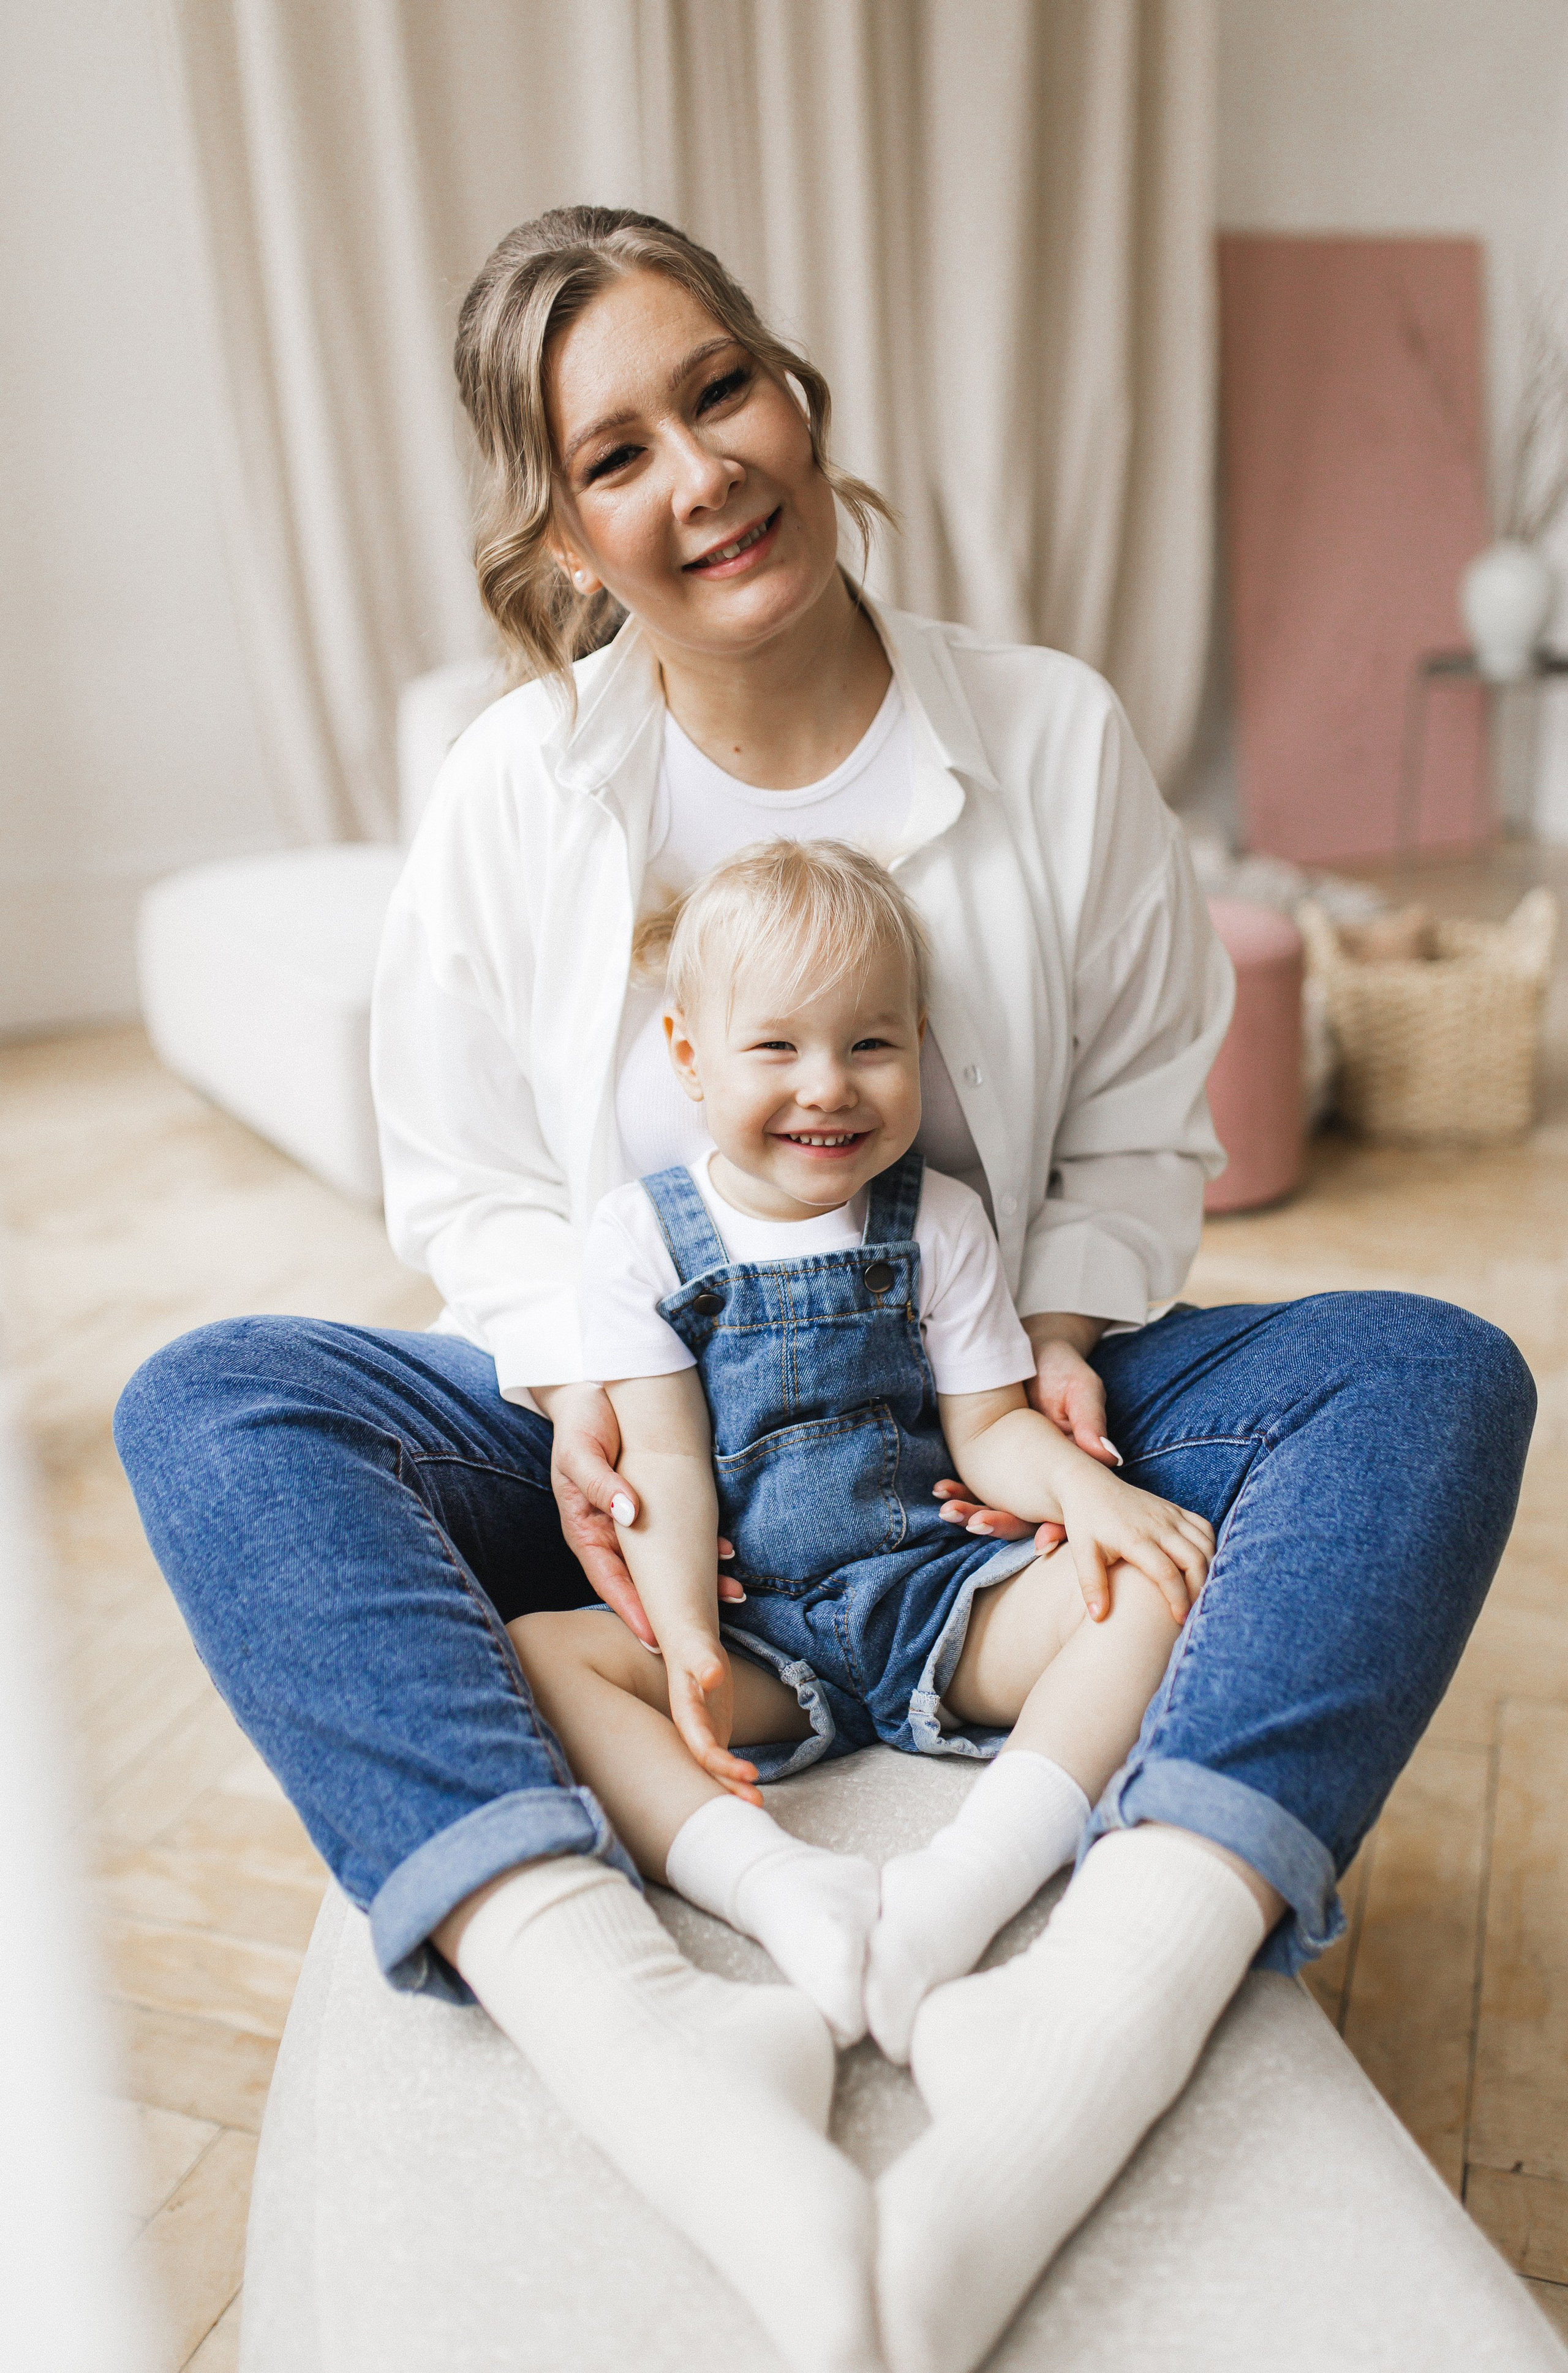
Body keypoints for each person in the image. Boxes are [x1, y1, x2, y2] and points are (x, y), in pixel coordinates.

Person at [113, 203, 1535, 2373]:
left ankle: (1096, 2006)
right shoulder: (518, 788)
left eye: (719, 390)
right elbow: (472, 1177)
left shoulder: (1044, 733)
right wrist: (585, 1381)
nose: (698, 474)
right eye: (616, 455)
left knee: (1431, 1368)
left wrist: (1054, 1335)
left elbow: (1155, 1113)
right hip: (637, 1437)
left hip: (984, 1415)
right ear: (568, 533)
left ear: (798, 394)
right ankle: (640, 2025)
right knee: (216, 1400)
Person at [519, 836, 1216, 2077]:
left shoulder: (937, 1219)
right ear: (687, 1056)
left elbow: (990, 1429)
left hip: (934, 1602)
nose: (827, 1086)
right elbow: (666, 1467)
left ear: (919, 1045)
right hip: (762, 1643)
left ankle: (971, 1875)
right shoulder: (642, 1239)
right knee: (543, 1657)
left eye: (871, 1044)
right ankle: (771, 1881)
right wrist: (681, 1633)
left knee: (1147, 1584)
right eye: (776, 1046)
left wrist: (1089, 1495)